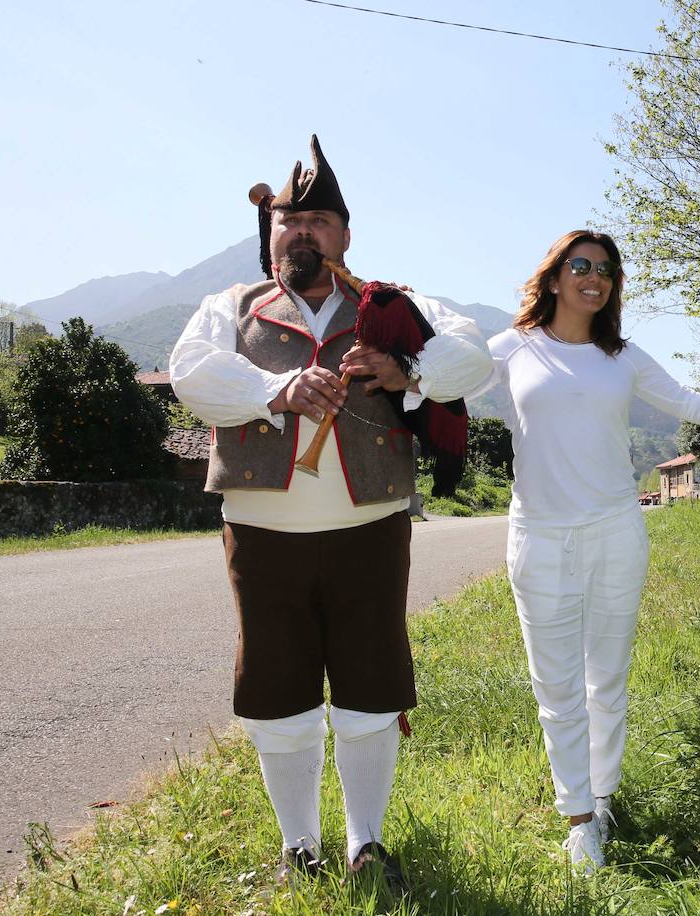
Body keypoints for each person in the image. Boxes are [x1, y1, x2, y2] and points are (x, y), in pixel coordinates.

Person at [169, 136, 491, 889]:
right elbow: (190, 373)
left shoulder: (395, 305)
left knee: (371, 687)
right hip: (262, 536)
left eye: (318, 220)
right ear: (271, 235)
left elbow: (475, 355)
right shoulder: (231, 308)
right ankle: (298, 846)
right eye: (290, 221)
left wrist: (405, 366)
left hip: (368, 533)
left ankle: (366, 843)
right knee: (277, 692)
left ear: (345, 235)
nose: (302, 233)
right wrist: (271, 391)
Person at [473, 229, 700, 873]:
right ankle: (577, 815)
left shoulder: (624, 357)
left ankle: (601, 800)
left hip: (615, 531)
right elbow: (433, 385)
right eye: (580, 265)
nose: (595, 276)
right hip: (539, 536)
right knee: (555, 685)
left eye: (606, 269)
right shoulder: (509, 348)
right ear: (553, 277)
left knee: (605, 679)